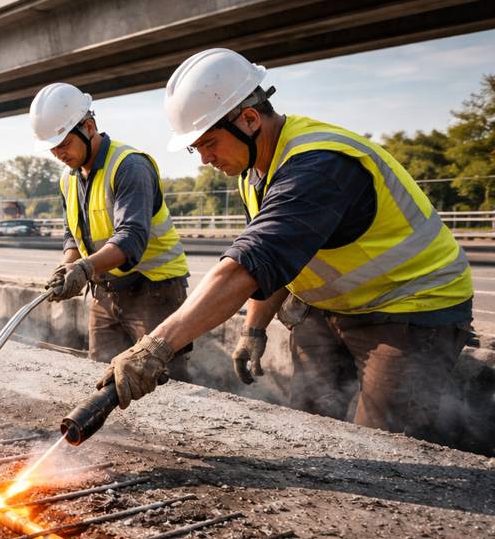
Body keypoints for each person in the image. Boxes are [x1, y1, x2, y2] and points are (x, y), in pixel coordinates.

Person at [98, 47, 473, 439]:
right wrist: (254, 329)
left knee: (383, 440)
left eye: (209, 143)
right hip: (331, 306)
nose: (204, 159)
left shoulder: (317, 166)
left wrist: (155, 348)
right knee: (310, 419)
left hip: (410, 308)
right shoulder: (254, 171)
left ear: (248, 119)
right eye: (197, 148)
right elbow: (269, 263)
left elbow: (241, 269)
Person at [29, 83, 190, 374]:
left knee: (162, 382)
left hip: (153, 291)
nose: (58, 153)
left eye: (63, 143)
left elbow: (131, 239)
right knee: (102, 378)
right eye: (52, 147)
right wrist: (69, 266)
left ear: (88, 127)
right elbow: (73, 233)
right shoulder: (68, 179)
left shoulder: (129, 166)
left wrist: (84, 268)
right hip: (105, 292)